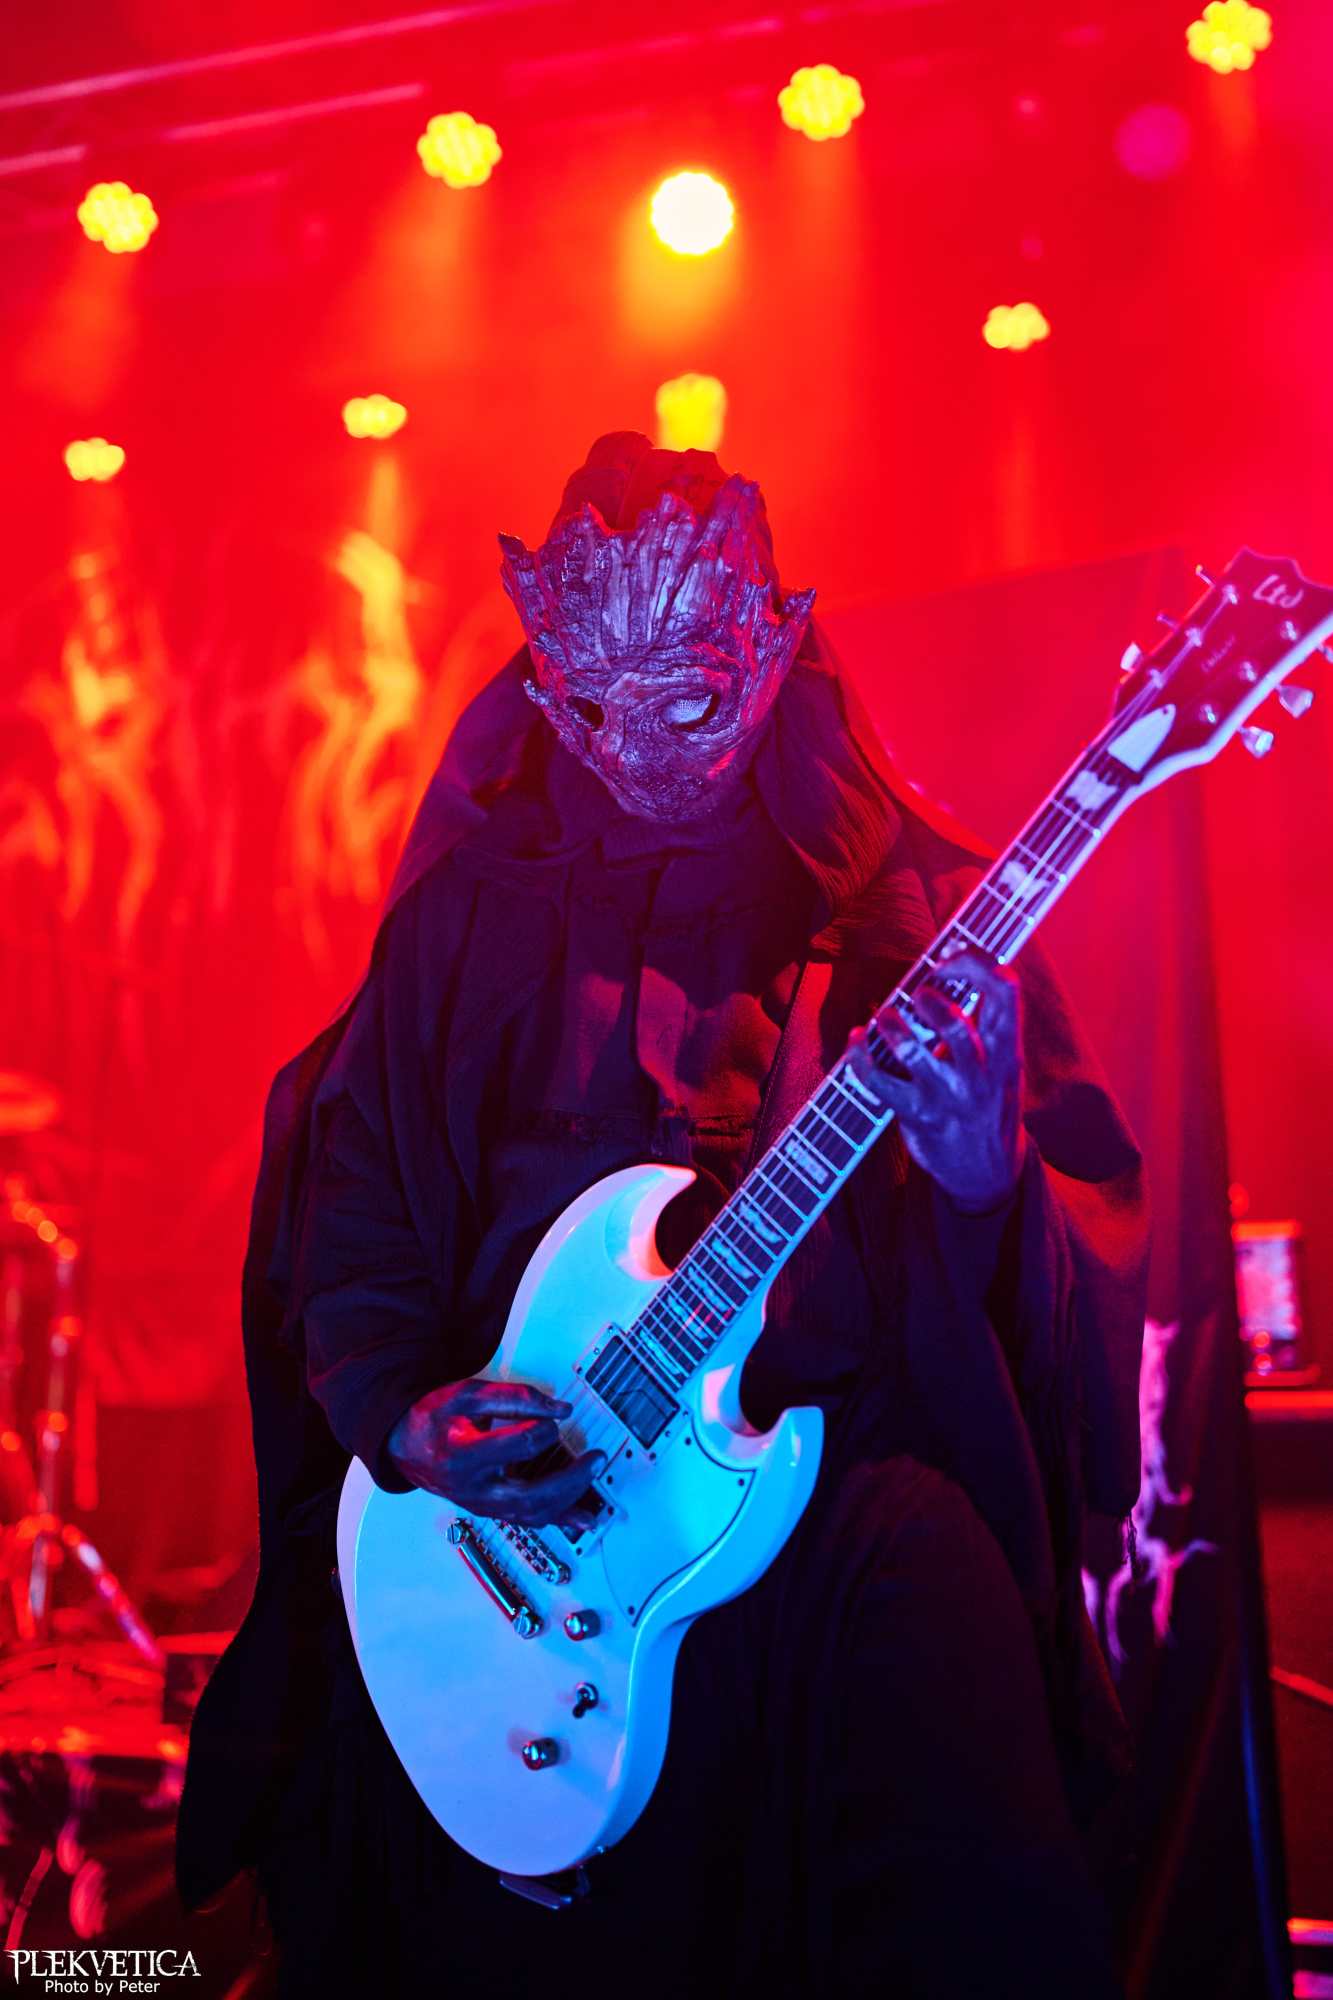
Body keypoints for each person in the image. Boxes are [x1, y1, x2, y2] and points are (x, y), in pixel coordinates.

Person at [176, 433, 1148, 1999]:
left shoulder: (911, 910)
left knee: (964, 1812)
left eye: (684, 701)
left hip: (822, 1524)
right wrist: (403, 1416)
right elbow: (348, 1212)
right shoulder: (468, 913)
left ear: (770, 649)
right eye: (586, 708)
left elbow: (1050, 1278)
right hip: (507, 1532)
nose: (631, 750)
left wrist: (982, 1173)